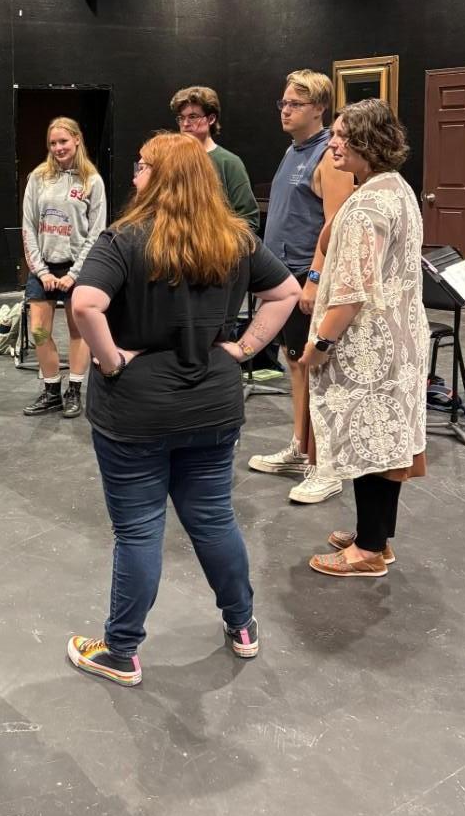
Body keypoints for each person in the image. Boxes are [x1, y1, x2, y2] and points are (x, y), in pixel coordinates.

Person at [66, 133, 300, 686]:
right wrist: (243, 348)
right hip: (213, 408)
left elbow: (83, 303)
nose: (134, 176)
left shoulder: (122, 240)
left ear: (164, 176)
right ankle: (242, 626)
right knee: (214, 519)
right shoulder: (235, 239)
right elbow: (287, 292)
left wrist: (111, 362)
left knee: (139, 531)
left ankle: (121, 652)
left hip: (136, 413)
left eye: (142, 166)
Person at [299, 101, 427, 577]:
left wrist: (321, 346)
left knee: (370, 444)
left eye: (341, 136)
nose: (332, 144)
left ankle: (369, 551)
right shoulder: (397, 190)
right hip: (401, 339)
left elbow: (350, 293)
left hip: (369, 348)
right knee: (384, 441)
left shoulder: (367, 205)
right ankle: (376, 536)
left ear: (366, 143)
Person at [247, 70, 356, 503]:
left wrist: (313, 279)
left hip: (305, 278)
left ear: (319, 109)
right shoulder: (293, 151)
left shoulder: (327, 155)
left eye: (294, 104)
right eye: (283, 103)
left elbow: (335, 224)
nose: (285, 110)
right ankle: (301, 448)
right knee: (294, 363)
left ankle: (324, 465)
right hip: (284, 276)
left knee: (312, 366)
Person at [21, 117, 107, 419]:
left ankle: (74, 390)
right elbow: (28, 226)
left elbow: (97, 232)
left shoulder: (92, 181)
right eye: (53, 143)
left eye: (63, 142)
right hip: (43, 267)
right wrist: (42, 271)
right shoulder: (38, 177)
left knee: (78, 331)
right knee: (39, 332)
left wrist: (74, 274)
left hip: (78, 268)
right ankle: (51, 391)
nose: (58, 148)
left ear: (77, 140)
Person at [170, 85, 260, 230]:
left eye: (193, 117)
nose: (185, 124)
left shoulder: (229, 163)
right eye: (181, 118)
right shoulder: (169, 160)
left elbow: (249, 220)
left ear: (211, 119)